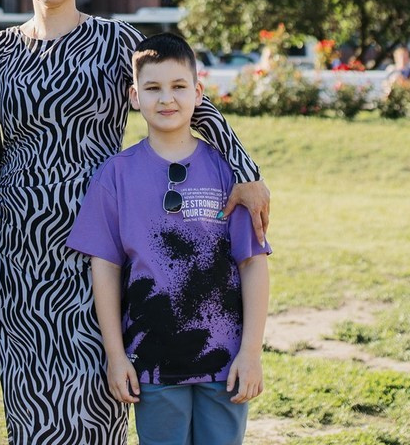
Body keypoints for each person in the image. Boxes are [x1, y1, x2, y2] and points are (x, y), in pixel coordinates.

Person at [0, 0, 269, 445]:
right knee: (31, 403)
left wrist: (245, 170)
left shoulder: (117, 44)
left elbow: (194, 105)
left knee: (104, 392)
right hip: (20, 251)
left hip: (110, 245)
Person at [68, 32, 271, 445]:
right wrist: (116, 355)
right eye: (153, 88)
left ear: (198, 92)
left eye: (179, 87)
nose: (167, 99)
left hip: (225, 362)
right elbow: (104, 269)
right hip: (152, 360)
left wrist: (251, 353)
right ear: (134, 95)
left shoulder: (228, 174)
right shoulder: (115, 176)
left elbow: (253, 264)